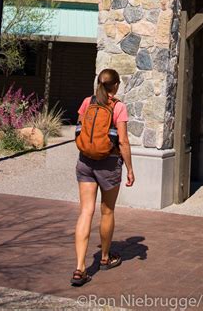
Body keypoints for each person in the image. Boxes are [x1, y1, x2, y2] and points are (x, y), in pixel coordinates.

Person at [71, 68, 135, 286]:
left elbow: (79, 130)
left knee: (85, 212)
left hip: (85, 161)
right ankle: (105, 258)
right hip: (108, 163)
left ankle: (80, 268)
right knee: (107, 211)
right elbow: (124, 142)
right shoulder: (118, 107)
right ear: (115, 85)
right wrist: (129, 168)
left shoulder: (87, 102)